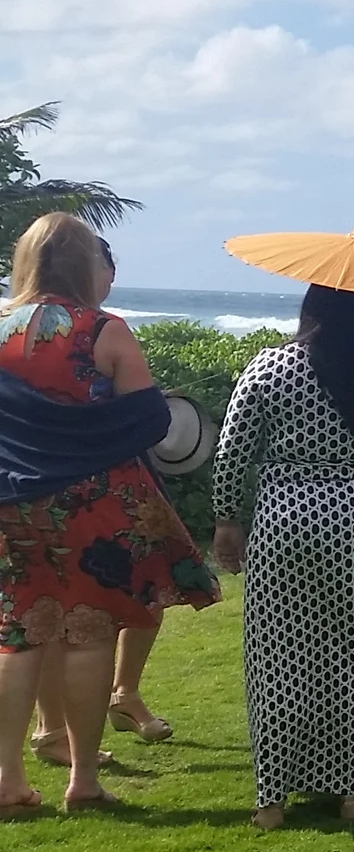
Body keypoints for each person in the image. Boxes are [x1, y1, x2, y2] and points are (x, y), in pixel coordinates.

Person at [0, 215, 221, 817]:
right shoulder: (104, 330)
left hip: (13, 503)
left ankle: (8, 780)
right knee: (89, 634)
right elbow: (150, 421)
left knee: (18, 635)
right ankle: (83, 781)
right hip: (93, 504)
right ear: (84, 264)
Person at [210, 284, 354, 829]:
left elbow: (233, 449)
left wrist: (226, 518)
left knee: (281, 656)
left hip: (288, 517)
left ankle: (272, 797)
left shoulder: (271, 367)